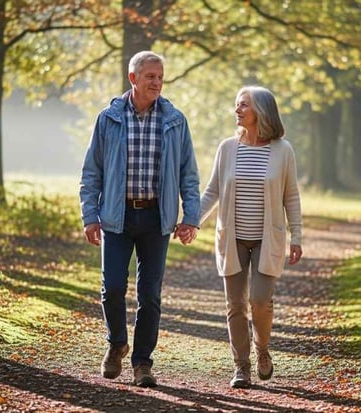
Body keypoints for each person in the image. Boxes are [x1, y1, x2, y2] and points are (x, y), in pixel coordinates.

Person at [79, 50, 200, 387]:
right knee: (112, 288)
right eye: (150, 76)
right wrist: (90, 216)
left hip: (157, 219)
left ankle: (142, 362)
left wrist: (190, 217)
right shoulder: (109, 118)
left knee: (150, 295)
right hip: (116, 217)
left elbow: (189, 175)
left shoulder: (175, 120)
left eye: (160, 77)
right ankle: (116, 343)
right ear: (133, 78)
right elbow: (92, 173)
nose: (157, 83)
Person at [182, 85, 303, 388]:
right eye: (237, 105)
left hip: (267, 239)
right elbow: (211, 192)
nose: (237, 110)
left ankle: (262, 350)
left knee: (260, 301)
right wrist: (190, 221)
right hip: (232, 238)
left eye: (244, 105)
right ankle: (241, 366)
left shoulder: (283, 150)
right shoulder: (227, 148)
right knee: (235, 305)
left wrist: (297, 235)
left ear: (261, 110)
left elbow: (292, 196)